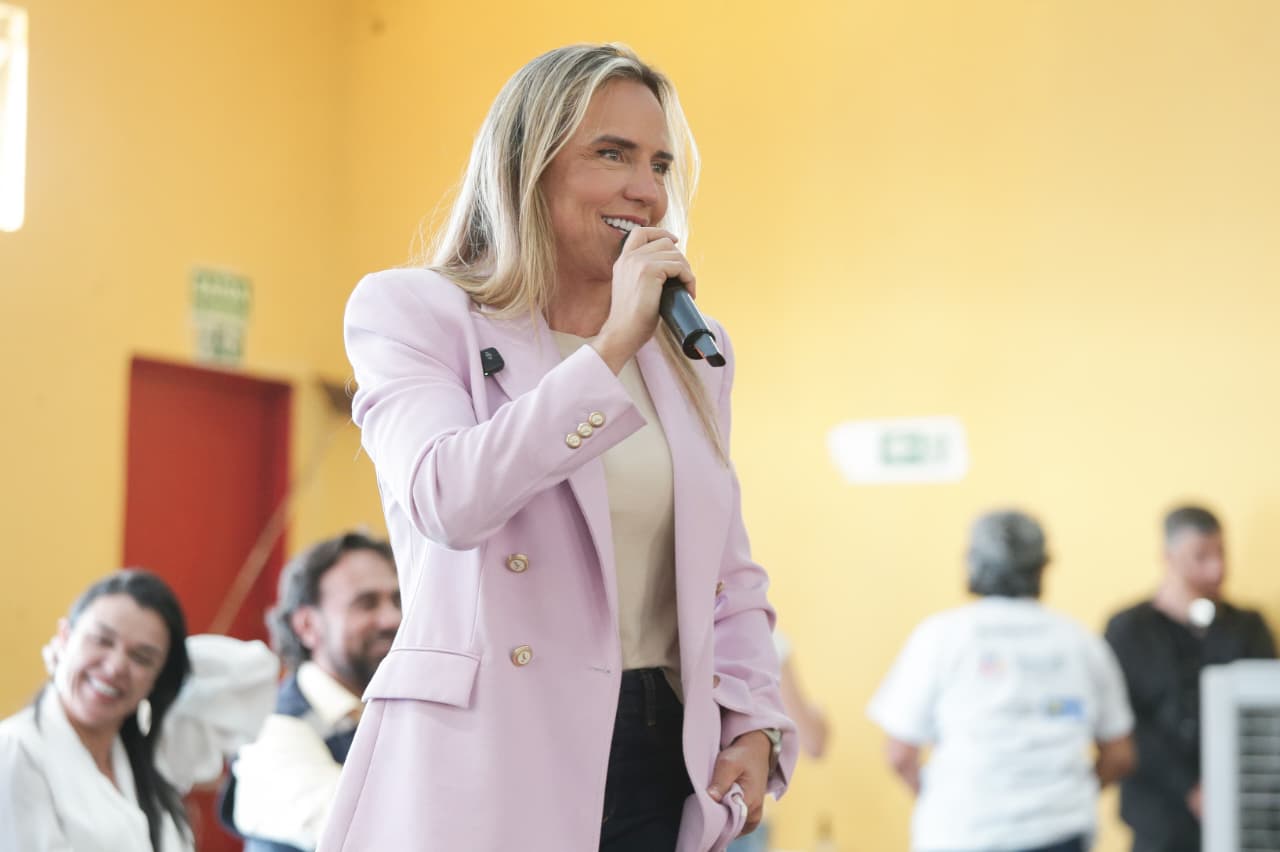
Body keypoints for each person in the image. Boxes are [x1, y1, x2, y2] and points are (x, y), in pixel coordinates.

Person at [318, 43, 795, 852]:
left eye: (659, 164)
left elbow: (728, 568)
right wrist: (609, 350)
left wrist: (755, 721)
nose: (646, 190)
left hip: (659, 749)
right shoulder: (416, 313)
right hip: (494, 747)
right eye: (612, 154)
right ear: (526, 167)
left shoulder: (690, 350)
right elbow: (449, 500)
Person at [868, 510, 1136, 852]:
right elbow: (1120, 755)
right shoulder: (1081, 643)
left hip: (963, 833)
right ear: (1042, 566)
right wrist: (1072, 796)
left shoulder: (942, 637)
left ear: (972, 564)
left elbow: (899, 755)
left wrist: (940, 798)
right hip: (1061, 831)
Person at [0, 569, 277, 852]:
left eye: (142, 657)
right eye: (102, 640)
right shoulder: (17, 750)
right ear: (64, 637)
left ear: (158, 677)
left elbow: (253, 673)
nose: (115, 667)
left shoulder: (148, 755)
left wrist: (172, 663)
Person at [1105, 504, 1276, 852]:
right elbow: (1124, 724)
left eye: (1221, 554)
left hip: (1243, 814)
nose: (1217, 569)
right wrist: (1190, 788)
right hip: (1159, 819)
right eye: (1201, 557)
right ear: (1168, 557)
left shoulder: (1248, 627)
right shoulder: (1129, 631)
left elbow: (1266, 718)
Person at [221, 531, 402, 851]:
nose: (393, 619)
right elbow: (375, 837)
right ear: (306, 626)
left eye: (397, 601)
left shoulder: (390, 713)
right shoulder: (271, 733)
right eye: (366, 604)